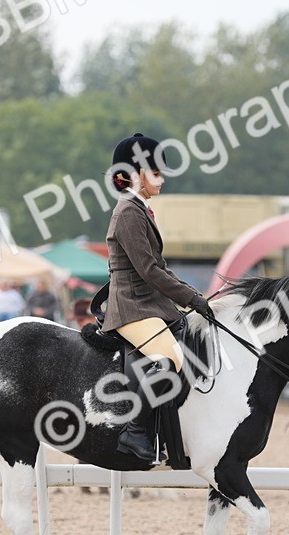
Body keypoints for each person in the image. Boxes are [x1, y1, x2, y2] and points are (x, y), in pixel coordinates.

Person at [104, 132, 214, 463]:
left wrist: (193, 297)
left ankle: (171, 437)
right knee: (169, 359)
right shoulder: (128, 213)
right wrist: (193, 299)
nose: (162, 179)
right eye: (156, 173)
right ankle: (135, 431)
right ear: (136, 174)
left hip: (150, 304)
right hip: (131, 306)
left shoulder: (142, 210)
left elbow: (161, 268)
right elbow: (149, 270)